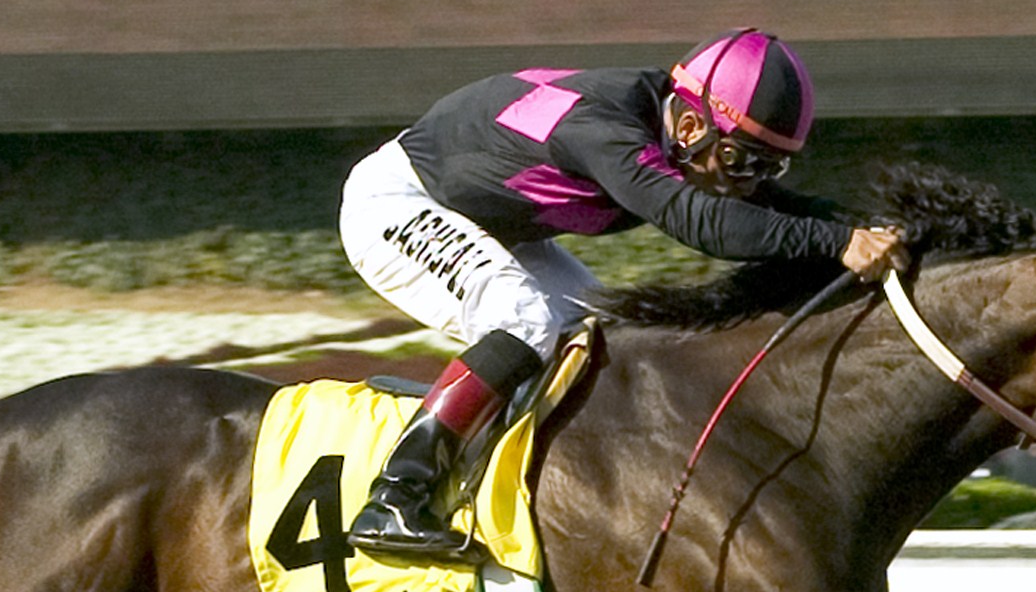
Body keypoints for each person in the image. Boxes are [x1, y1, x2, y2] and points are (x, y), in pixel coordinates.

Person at [336, 28, 903, 561]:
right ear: (687, 128)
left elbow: (767, 206)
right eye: (738, 161)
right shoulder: (605, 129)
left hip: (490, 222)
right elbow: (703, 225)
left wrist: (875, 225)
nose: (748, 182)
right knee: (525, 320)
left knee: (611, 339)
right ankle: (395, 497)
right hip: (398, 203)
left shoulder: (673, 125)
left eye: (767, 165)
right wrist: (838, 242)